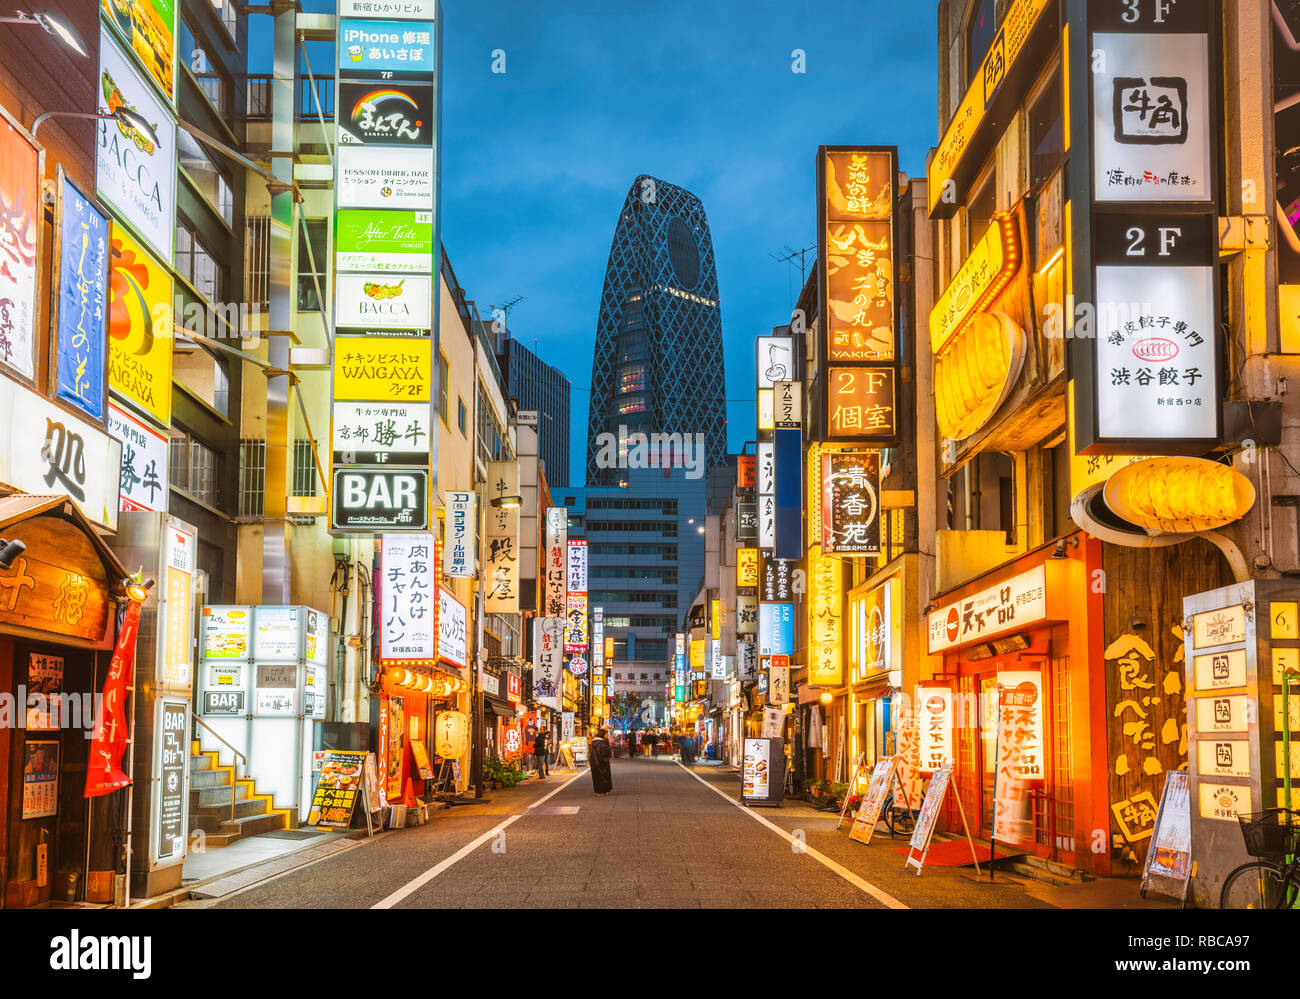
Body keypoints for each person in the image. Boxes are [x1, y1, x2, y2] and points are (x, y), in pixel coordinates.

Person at [589, 728, 613, 795]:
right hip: (603, 762)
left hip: (594, 762)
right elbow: (606, 752)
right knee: (605, 776)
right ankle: (605, 790)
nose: (607, 735)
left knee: (596, 777)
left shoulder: (593, 742)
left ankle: (599, 791)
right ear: (603, 735)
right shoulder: (603, 743)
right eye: (606, 734)